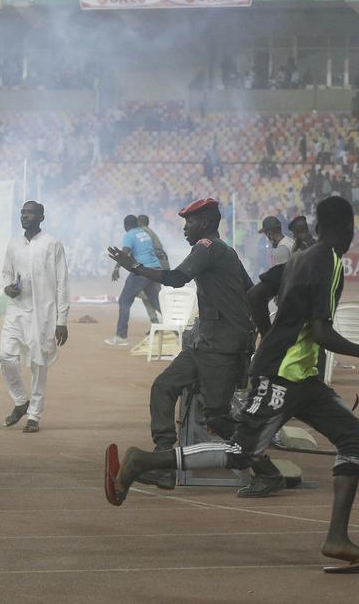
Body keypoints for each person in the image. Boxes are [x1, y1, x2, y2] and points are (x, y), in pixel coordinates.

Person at [106, 196, 359, 573]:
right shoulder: (327, 261)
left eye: (190, 221)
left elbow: (255, 294)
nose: (186, 227)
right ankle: (144, 461)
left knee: (352, 439)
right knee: (234, 443)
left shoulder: (297, 260)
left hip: (289, 371)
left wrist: (268, 335)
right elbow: (320, 331)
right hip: (280, 374)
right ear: (348, 230)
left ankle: (336, 538)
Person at [106, 198, 255, 491]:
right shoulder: (227, 252)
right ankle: (163, 465)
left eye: (190, 222)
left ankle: (265, 467)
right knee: (164, 386)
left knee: (218, 418)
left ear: (207, 224)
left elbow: (176, 278)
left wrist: (134, 266)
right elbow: (252, 292)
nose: (185, 228)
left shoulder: (207, 248)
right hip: (206, 344)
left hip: (220, 347)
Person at [0, 201, 70, 434]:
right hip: (16, 310)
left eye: (30, 213)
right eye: (23, 212)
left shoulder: (52, 245)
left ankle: (34, 415)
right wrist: (8, 287)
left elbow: (62, 283)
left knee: (38, 364)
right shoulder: (14, 245)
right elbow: (7, 273)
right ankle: (21, 401)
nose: (25, 216)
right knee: (6, 356)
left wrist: (62, 321)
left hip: (43, 313)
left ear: (41, 217)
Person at [105, 214, 162, 346]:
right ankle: (180, 327)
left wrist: (116, 267)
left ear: (126, 226)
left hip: (141, 270)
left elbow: (125, 251)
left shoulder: (129, 234)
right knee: (157, 303)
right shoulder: (144, 233)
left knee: (124, 301)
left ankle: (121, 336)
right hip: (155, 269)